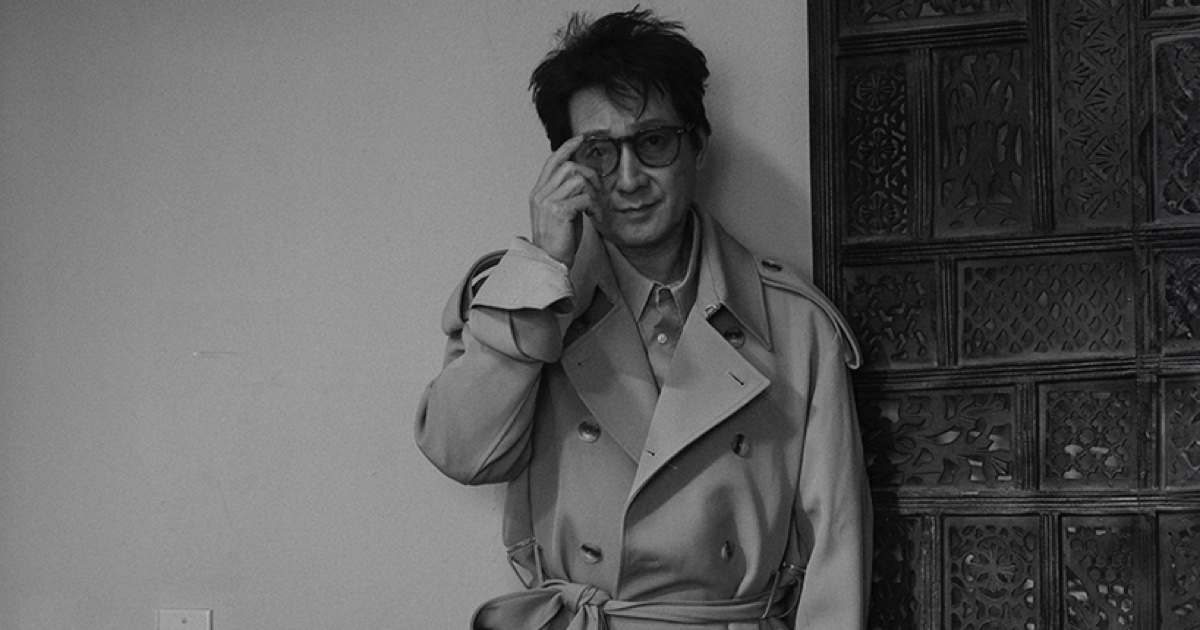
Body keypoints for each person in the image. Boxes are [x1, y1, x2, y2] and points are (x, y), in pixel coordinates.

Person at [416, 8, 871, 629]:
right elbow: (462, 454)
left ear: (697, 146)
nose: (629, 180)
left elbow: (837, 544)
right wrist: (542, 265)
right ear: (565, 167)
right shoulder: (519, 301)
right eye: (599, 152)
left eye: (653, 142)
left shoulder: (794, 323)